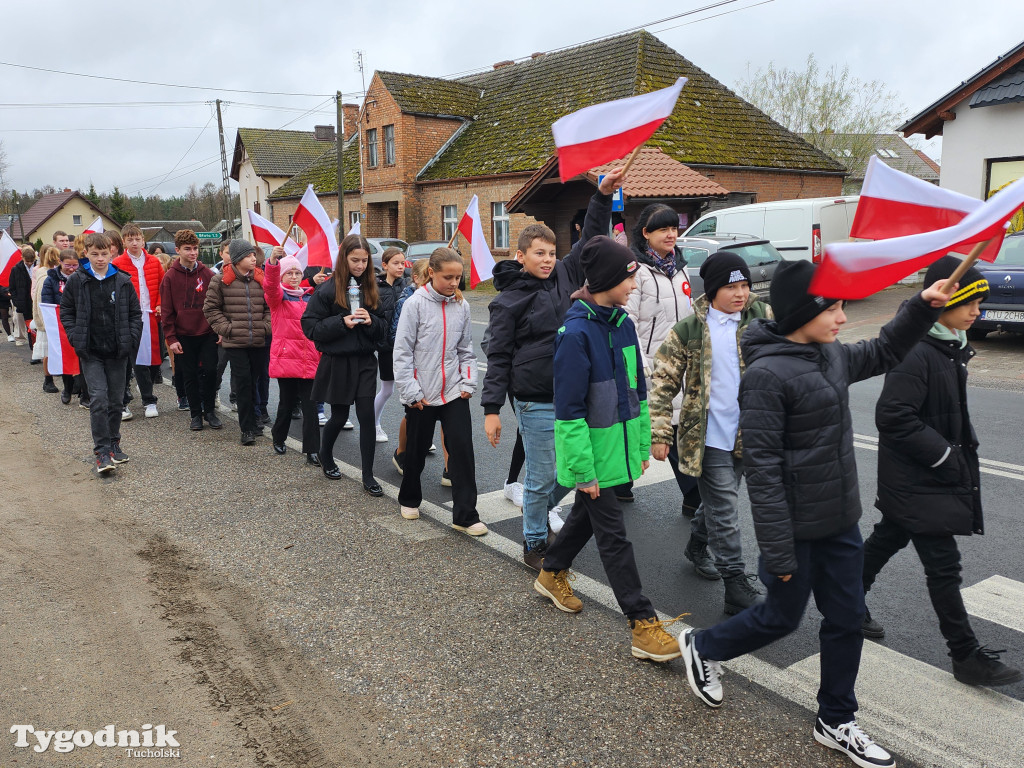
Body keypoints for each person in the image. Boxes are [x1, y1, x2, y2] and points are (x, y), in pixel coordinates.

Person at [681, 260, 954, 768]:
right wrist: (780, 550)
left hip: (840, 520)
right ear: (803, 312)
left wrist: (921, 305)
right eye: (833, 307)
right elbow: (761, 472)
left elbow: (886, 349)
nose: (842, 319)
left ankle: (836, 719)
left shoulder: (829, 356)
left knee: (847, 617)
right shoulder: (765, 376)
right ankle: (703, 646)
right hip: (796, 530)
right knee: (780, 618)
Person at [862, 256, 1022, 688]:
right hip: (920, 477)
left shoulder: (948, 344)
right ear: (941, 303)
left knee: (887, 537)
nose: (978, 312)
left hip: (920, 478)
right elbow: (892, 415)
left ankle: (844, 599)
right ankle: (964, 654)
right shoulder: (918, 352)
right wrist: (946, 458)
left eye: (981, 303)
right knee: (944, 566)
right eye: (970, 302)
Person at [533, 236, 680, 662]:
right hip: (593, 457)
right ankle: (641, 622)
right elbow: (569, 412)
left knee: (585, 515)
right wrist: (583, 471)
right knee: (614, 537)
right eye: (629, 278)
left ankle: (551, 571)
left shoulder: (623, 324)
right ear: (606, 280)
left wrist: (640, 446)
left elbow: (636, 392)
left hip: (616, 451)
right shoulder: (575, 334)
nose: (635, 286)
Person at [481, 170, 620, 569]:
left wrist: (602, 197)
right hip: (535, 399)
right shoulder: (508, 301)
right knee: (542, 476)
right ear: (520, 256)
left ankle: (539, 515)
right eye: (538, 253)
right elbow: (499, 358)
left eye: (551, 252)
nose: (547, 260)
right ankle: (534, 542)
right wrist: (492, 410)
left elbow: (591, 240)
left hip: (571, 396)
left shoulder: (566, 273)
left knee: (573, 468)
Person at [649, 251, 770, 615]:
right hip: (708, 436)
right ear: (713, 289)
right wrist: (659, 434)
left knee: (720, 503)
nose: (740, 293)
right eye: (731, 286)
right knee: (727, 509)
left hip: (751, 433)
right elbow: (662, 383)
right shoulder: (689, 329)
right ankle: (736, 583)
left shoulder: (762, 318)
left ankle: (697, 546)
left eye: (745, 285)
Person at [393, 247, 483, 531]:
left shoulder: (462, 305)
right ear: (431, 273)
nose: (454, 283)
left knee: (463, 452)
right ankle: (409, 499)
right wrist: (411, 391)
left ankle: (466, 516)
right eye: (448, 277)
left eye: (458, 277)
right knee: (416, 452)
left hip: (454, 391)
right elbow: (403, 352)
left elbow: (465, 350)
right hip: (422, 394)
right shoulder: (414, 305)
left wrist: (468, 381)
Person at [622, 203, 696, 506]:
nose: (671, 234)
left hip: (681, 364)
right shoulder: (637, 272)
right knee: (652, 425)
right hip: (651, 365)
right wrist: (641, 365)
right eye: (663, 229)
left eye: (674, 228)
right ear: (645, 234)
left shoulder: (681, 269)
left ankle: (692, 497)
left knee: (676, 426)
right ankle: (694, 497)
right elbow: (628, 321)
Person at [302, 234, 386, 493]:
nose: (360, 266)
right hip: (337, 362)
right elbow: (310, 326)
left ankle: (368, 476)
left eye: (364, 261)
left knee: (366, 417)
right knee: (339, 416)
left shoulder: (372, 288)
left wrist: (372, 321)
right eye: (354, 260)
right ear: (344, 259)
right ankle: (325, 455)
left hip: (365, 363)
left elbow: (384, 329)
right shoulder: (327, 289)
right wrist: (341, 322)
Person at [59, 232, 142, 474]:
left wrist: (130, 339)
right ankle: (102, 451)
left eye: (104, 254)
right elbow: (67, 312)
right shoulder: (77, 280)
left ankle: (114, 441)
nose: (100, 258)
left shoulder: (123, 281)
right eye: (94, 254)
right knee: (98, 399)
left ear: (112, 253)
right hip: (91, 351)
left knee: (116, 401)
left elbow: (135, 314)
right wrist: (77, 338)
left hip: (117, 351)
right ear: (86, 253)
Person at [203, 239, 270, 445]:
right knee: (243, 383)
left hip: (258, 340)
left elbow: (270, 307)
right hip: (236, 343)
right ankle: (247, 428)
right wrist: (227, 329)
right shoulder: (221, 280)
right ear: (238, 258)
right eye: (249, 255)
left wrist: (266, 327)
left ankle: (254, 418)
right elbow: (211, 309)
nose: (254, 258)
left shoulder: (261, 278)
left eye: (253, 255)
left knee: (255, 382)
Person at [160, 229, 222, 431]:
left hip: (207, 333)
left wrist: (219, 328)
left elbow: (217, 305)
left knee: (211, 372)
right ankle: (195, 414)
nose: (193, 253)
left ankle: (210, 411)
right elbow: (167, 311)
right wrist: (171, 337)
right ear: (177, 250)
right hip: (183, 335)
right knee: (190, 375)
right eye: (187, 249)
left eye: (195, 248)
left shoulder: (208, 274)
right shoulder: (170, 277)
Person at [265, 247, 321, 466]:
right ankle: (279, 437)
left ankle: (312, 450)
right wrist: (272, 263)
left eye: (298, 273)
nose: (295, 277)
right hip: (287, 359)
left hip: (309, 359)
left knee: (310, 406)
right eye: (289, 273)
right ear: (282, 275)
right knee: (286, 403)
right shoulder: (278, 297)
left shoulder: (308, 297)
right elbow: (270, 286)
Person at [389, 258, 441, 473]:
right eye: (429, 279)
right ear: (418, 279)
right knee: (413, 414)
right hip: (416, 370)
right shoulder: (407, 302)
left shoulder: (446, 300)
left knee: (443, 419)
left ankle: (450, 468)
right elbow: (397, 338)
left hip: (437, 370)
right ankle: (402, 452)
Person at [112, 223, 165, 419]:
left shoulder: (154, 261)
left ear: (143, 240)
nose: (134, 242)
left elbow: (162, 286)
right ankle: (138, 400)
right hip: (130, 318)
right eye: (130, 239)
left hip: (152, 316)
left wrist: (160, 304)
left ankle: (147, 393)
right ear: (124, 241)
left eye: (138, 239)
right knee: (132, 361)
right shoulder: (117, 263)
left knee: (154, 361)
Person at [372, 246, 409, 443]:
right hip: (387, 347)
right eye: (396, 263)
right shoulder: (376, 288)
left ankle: (417, 431)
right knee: (387, 390)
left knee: (411, 389)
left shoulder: (407, 286)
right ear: (385, 265)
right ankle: (374, 424)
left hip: (407, 347)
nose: (401, 267)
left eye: (403, 263)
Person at [42, 248, 87, 406]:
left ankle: (85, 394)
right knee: (66, 357)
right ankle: (67, 388)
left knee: (83, 357)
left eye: (75, 265)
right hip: (62, 324)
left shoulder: (83, 277)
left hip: (82, 321)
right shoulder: (51, 280)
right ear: (60, 263)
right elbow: (47, 303)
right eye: (68, 265)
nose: (71, 268)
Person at [32, 245, 62, 391]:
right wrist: (45, 322)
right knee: (48, 351)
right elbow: (40, 302)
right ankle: (48, 380)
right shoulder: (45, 277)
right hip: (48, 320)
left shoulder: (52, 274)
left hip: (55, 319)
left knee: (53, 350)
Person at [9, 246, 35, 347]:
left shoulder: (38, 266)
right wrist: (16, 301)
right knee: (18, 319)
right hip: (21, 298)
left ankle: (33, 339)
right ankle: (20, 338)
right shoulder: (16, 269)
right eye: (27, 261)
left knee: (33, 320)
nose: (29, 263)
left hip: (33, 298)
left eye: (31, 261)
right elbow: (12, 287)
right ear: (22, 257)